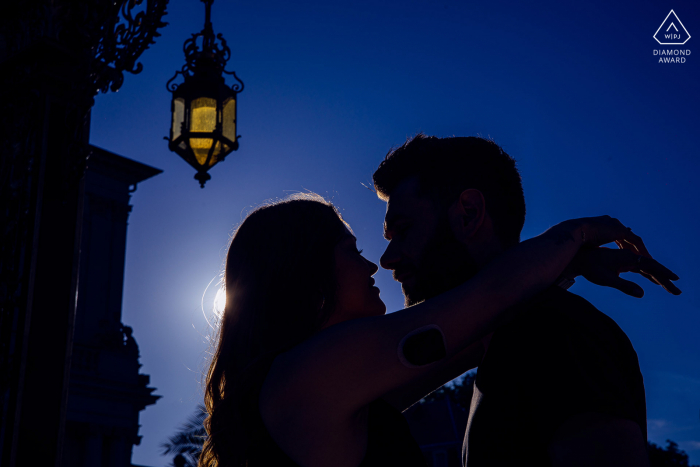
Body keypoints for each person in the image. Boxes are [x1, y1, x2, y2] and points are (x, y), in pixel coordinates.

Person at [198, 192, 678, 467]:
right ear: (304, 271)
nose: (373, 264)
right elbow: (486, 298)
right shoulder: (308, 379)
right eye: (351, 250)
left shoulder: (312, 392)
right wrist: (576, 234)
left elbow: (482, 325)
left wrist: (565, 265)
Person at [371, 134, 682, 467]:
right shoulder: (506, 339)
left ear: (468, 214)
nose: (387, 259)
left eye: (403, 230)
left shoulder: (550, 333)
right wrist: (570, 253)